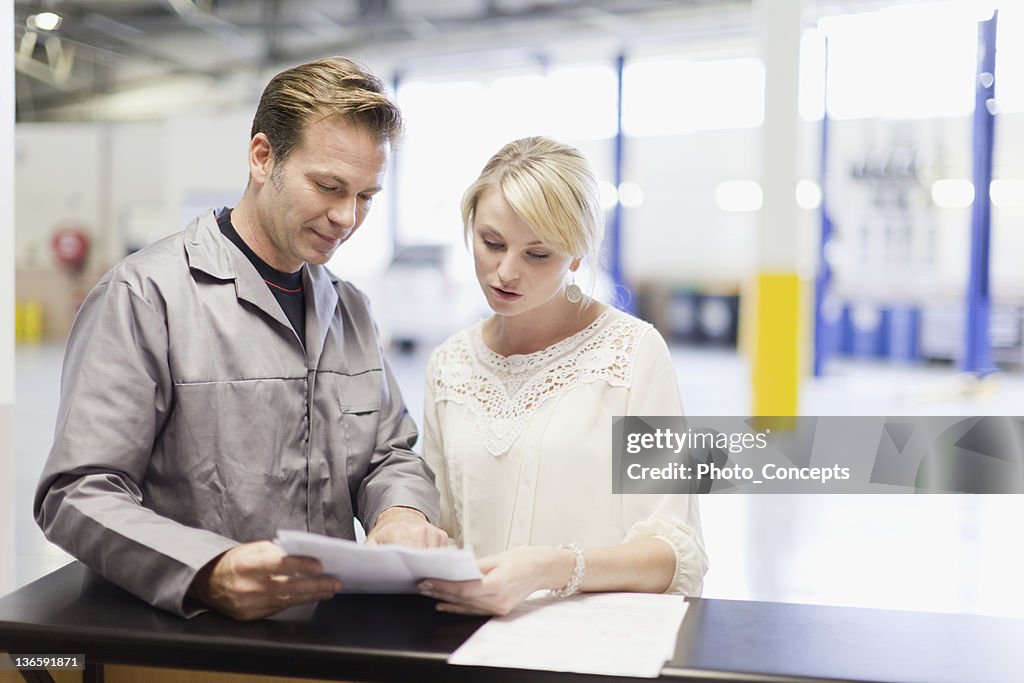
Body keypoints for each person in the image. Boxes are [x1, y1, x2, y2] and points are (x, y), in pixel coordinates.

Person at [34, 57, 446, 621]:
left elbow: (387, 453)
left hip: (331, 634)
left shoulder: (349, 308)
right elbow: (77, 492)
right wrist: (207, 571)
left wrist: (401, 513)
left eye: (366, 196)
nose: (346, 217)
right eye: (328, 186)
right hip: (195, 638)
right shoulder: (146, 296)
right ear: (262, 157)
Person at [418, 137, 708, 616]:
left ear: (577, 255)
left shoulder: (634, 355)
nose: (505, 271)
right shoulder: (449, 364)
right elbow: (441, 528)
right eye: (491, 243)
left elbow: (675, 553)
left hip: (588, 643)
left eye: (538, 254)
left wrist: (551, 568)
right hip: (469, 639)